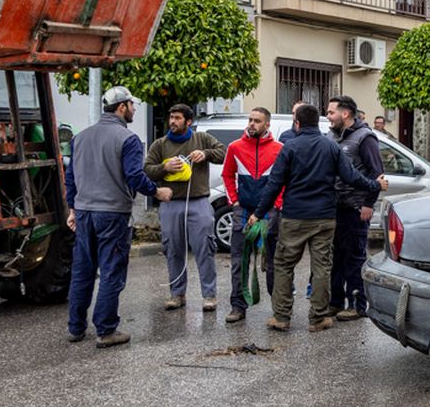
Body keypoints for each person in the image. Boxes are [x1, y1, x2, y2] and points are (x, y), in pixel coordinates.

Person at [247, 103, 386, 333]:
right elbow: (351, 177)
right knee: (322, 266)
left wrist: (257, 213)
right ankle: (318, 318)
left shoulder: (289, 147)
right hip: (324, 217)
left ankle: (281, 317)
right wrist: (375, 185)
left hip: (294, 216)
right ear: (317, 122)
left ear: (298, 123)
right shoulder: (330, 146)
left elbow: (274, 185)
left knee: (283, 265)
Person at [64, 86, 173, 347]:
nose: (134, 109)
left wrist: (72, 209)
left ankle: (75, 328)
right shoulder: (128, 139)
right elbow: (134, 176)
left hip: (84, 213)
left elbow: (70, 177)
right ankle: (106, 330)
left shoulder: (79, 137)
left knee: (82, 271)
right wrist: (157, 192)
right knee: (112, 271)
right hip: (112, 214)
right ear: (122, 107)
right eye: (132, 105)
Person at [143, 104, 226, 312]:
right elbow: (146, 170)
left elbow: (223, 152)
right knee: (173, 249)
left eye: (177, 118)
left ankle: (209, 295)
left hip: (198, 202)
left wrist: (205, 154)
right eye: (171, 117)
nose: (173, 122)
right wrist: (164, 168)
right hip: (170, 204)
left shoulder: (201, 139)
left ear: (188, 121)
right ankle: (177, 294)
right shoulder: (160, 144)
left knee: (204, 249)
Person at [222, 107, 282, 325]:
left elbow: (285, 181)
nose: (252, 124)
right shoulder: (235, 147)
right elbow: (227, 175)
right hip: (243, 210)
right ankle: (238, 306)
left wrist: (276, 205)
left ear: (267, 124)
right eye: (250, 120)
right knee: (239, 260)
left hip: (269, 212)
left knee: (273, 261)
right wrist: (235, 202)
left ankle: (278, 308)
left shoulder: (279, 149)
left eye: (257, 121)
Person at [327, 94, 384, 321]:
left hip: (356, 208)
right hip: (335, 207)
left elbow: (376, 173)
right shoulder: (331, 136)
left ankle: (358, 305)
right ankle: (336, 302)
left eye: (331, 112)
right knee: (336, 258)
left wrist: (368, 204)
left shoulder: (365, 138)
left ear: (345, 113)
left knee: (354, 258)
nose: (328, 116)